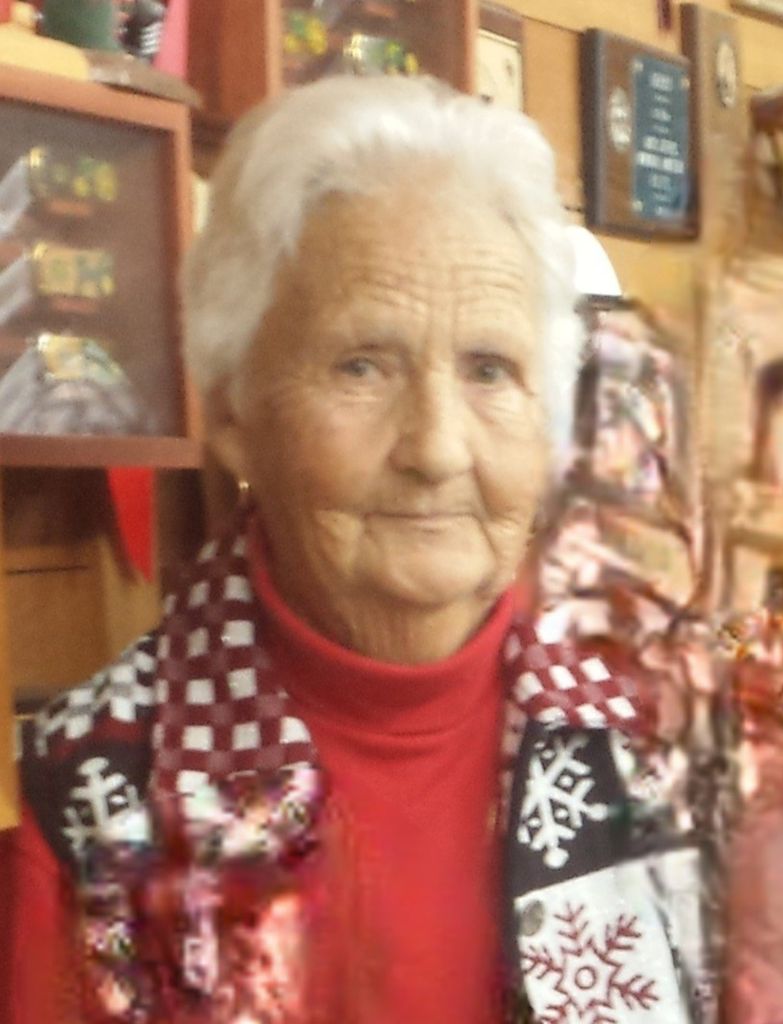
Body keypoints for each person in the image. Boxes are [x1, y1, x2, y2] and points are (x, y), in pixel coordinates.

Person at [2, 76, 711, 1024]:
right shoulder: (86, 809)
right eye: (362, 365)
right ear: (233, 413)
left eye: (490, 369)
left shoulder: (662, 741)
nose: (437, 449)